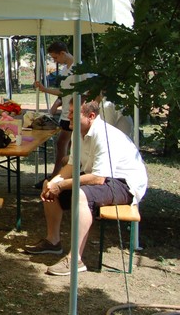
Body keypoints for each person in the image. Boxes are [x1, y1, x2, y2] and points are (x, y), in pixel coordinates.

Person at [24, 100, 148, 276]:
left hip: (124, 183)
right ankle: (53, 242)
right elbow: (72, 166)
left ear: (91, 116)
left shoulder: (103, 135)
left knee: (81, 194)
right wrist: (54, 182)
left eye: (74, 113)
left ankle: (76, 260)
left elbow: (98, 178)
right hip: (102, 177)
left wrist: (61, 185)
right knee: (48, 185)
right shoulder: (78, 132)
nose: (68, 116)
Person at [34, 41, 75, 183]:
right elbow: (63, 92)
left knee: (64, 143)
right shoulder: (64, 71)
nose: (55, 61)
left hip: (75, 115)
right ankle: (60, 175)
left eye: (55, 57)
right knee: (64, 144)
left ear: (63, 53)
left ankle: (58, 176)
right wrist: (45, 90)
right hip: (66, 114)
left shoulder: (79, 69)